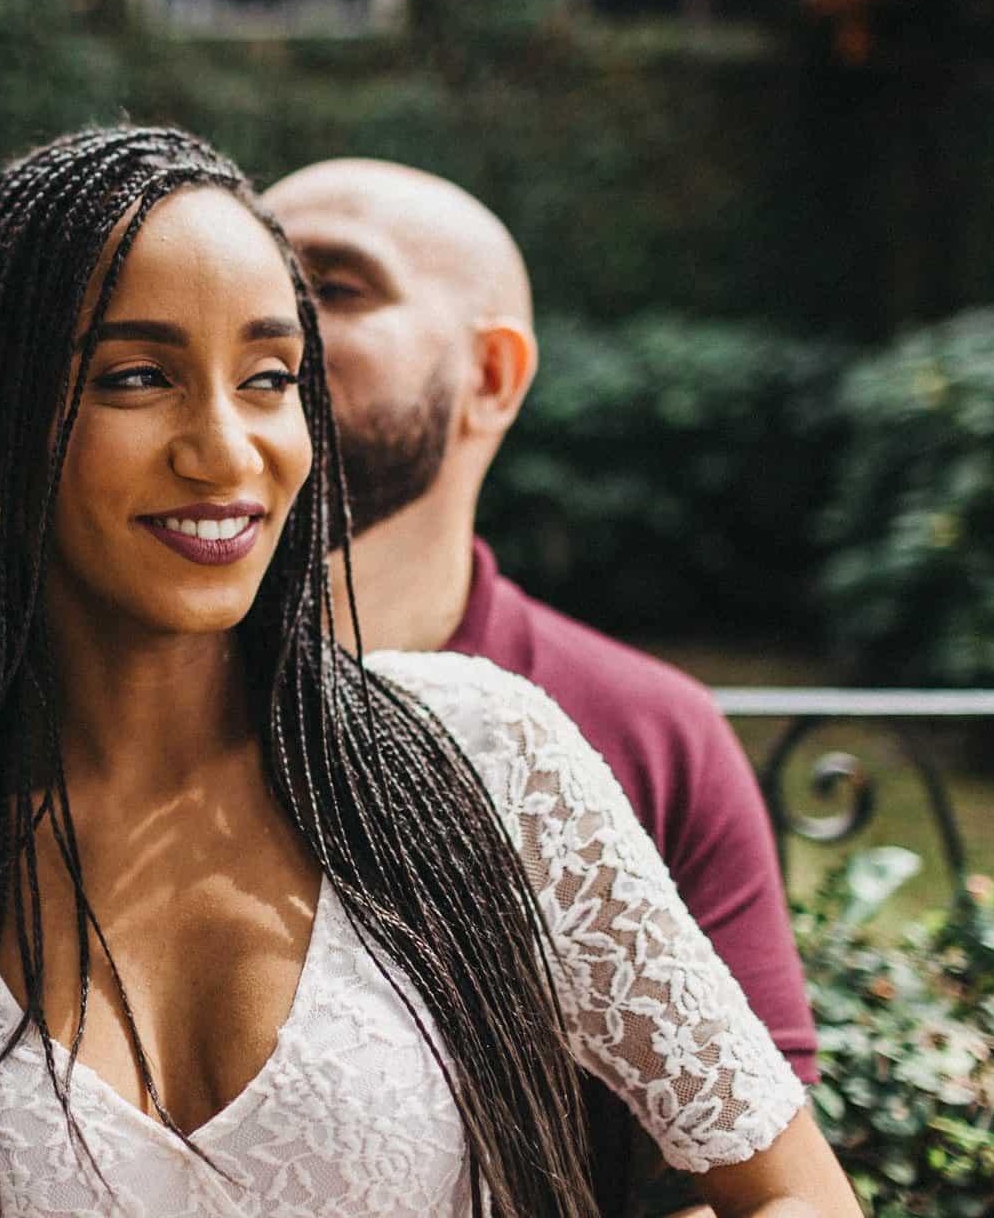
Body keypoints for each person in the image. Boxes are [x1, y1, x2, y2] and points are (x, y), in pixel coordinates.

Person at [0, 127, 854, 1216]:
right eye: (137, 375)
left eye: (270, 377)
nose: (227, 448)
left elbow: (791, 1195)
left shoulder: (488, 756)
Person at [261, 158, 822, 1216]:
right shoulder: (107, 706)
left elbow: (766, 1181)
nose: (269, 337)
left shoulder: (648, 732)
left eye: (331, 290)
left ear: (493, 376)